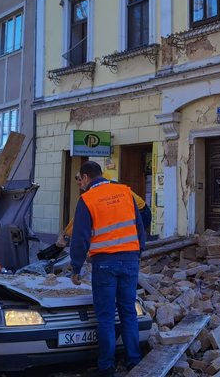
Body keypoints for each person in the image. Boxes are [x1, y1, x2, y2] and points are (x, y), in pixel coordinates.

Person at [69, 161, 146, 376]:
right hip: (130, 260)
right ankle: (134, 361)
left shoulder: (87, 199)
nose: (80, 184)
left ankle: (106, 366)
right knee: (128, 312)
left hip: (104, 263)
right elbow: (139, 227)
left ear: (86, 177)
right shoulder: (124, 192)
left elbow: (80, 238)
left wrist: (76, 267)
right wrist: (137, 253)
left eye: (79, 179)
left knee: (105, 316)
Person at [56, 173, 151, 249]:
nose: (80, 187)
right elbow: (77, 217)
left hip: (141, 211)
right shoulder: (102, 183)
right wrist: (65, 233)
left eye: (80, 183)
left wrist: (66, 237)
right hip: (138, 210)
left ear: (85, 178)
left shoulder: (97, 191)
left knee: (123, 239)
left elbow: (80, 220)